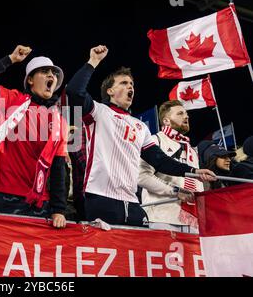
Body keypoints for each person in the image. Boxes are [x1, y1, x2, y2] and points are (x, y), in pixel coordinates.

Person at [66, 45, 216, 227]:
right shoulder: (98, 112)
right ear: (110, 91)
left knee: (138, 252)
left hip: (131, 201)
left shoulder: (140, 126)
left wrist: (194, 171)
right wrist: (93, 62)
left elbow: (160, 160)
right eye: (123, 83)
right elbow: (74, 91)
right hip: (100, 196)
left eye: (132, 84)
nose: (130, 86)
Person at [0, 45, 69, 228]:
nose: (51, 76)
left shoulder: (59, 121)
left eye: (54, 74)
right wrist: (10, 59)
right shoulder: (12, 100)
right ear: (30, 80)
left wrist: (58, 209)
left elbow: (58, 169)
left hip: (39, 203)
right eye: (45, 72)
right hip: (4, 197)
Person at [138, 100, 203, 230]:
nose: (186, 116)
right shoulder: (155, 140)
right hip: (163, 217)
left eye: (186, 113)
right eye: (180, 114)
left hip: (194, 219)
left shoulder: (191, 149)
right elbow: (141, 176)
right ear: (166, 121)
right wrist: (175, 191)